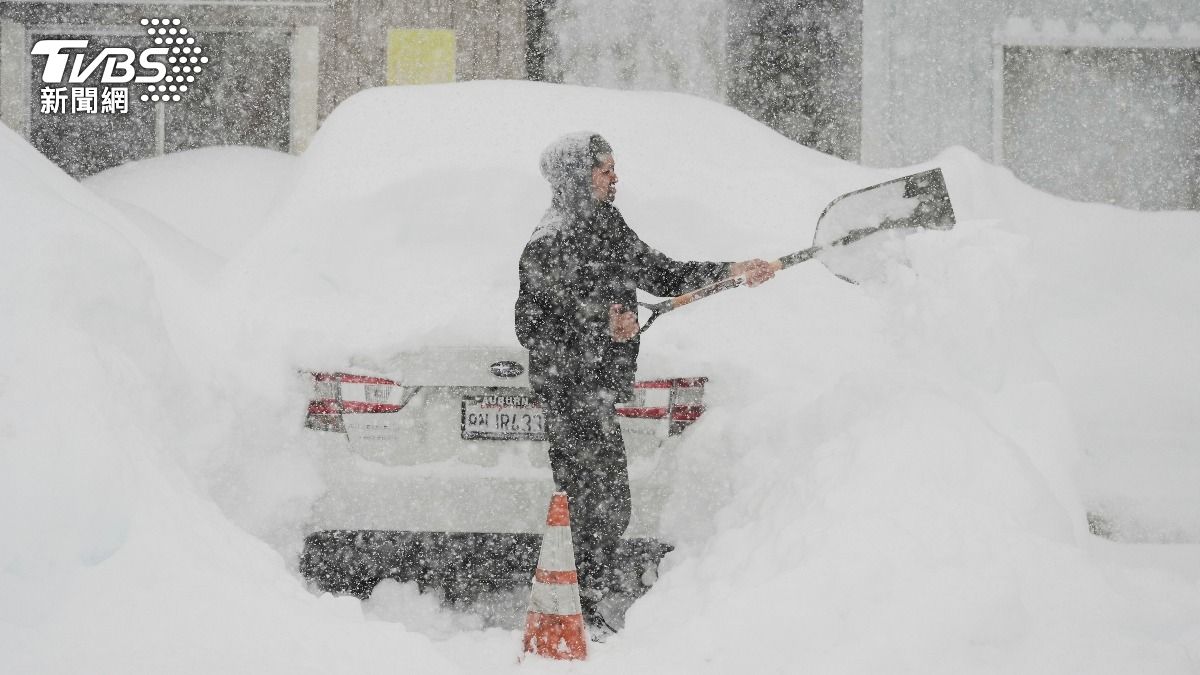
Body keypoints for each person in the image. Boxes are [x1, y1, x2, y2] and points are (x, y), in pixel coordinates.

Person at [514, 132, 774, 637]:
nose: (615, 178)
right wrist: (598, 323)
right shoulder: (549, 241)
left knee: (605, 503)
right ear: (576, 177)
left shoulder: (606, 226)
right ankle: (575, 609)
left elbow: (662, 272)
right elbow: (530, 325)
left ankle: (581, 602)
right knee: (594, 503)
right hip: (570, 392)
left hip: (597, 391)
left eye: (613, 167)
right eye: (605, 169)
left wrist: (732, 271)